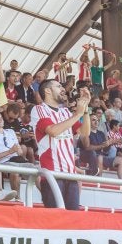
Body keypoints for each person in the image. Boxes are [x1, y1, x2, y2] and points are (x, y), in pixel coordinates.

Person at [30, 79, 91, 210]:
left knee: (72, 221)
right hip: (52, 174)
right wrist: (78, 114)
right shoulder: (39, 109)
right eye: (58, 86)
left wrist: (85, 110)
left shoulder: (65, 112)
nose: (63, 89)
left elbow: (85, 132)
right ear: (47, 91)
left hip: (70, 175)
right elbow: (53, 131)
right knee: (55, 221)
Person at [0, 111, 28, 196]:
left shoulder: (10, 132)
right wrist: (9, 152)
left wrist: (19, 150)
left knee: (37, 172)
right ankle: (17, 199)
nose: (1, 119)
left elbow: (20, 152)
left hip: (18, 159)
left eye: (1, 117)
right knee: (15, 173)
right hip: (4, 162)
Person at [79, 113, 122, 178]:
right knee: (100, 157)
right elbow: (87, 148)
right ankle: (99, 181)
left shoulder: (101, 133)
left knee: (121, 160)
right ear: (88, 122)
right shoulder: (85, 132)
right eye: (93, 120)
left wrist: (109, 144)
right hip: (87, 156)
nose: (96, 122)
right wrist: (102, 146)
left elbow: (105, 150)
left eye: (97, 120)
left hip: (100, 156)